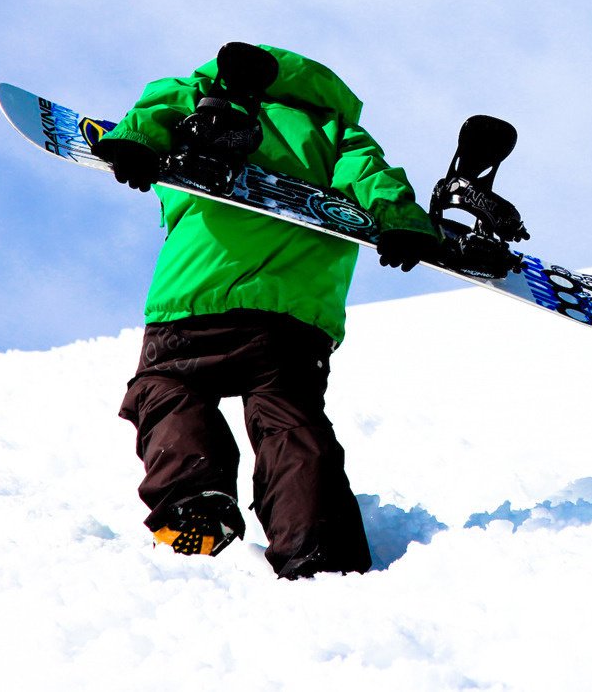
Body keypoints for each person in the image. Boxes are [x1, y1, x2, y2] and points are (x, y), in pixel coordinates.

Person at [94, 42, 442, 579]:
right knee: (289, 421)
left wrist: (134, 142)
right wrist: (402, 221)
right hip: (291, 319)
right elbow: (375, 179)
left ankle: (195, 500)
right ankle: (319, 545)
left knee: (165, 391)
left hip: (192, 299)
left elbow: (153, 113)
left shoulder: (197, 93)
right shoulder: (336, 132)